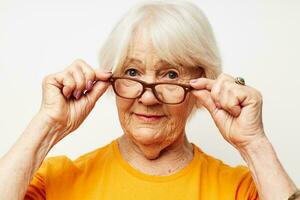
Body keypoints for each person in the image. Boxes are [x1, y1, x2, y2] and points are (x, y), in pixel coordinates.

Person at [0, 1, 299, 200]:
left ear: (202, 85)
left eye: (170, 75)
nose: (147, 96)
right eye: (131, 72)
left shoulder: (240, 188)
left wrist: (254, 144)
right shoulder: (54, 181)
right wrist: (48, 123)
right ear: (108, 79)